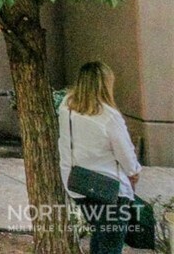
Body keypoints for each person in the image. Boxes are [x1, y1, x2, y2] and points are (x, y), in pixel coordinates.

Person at [59, 61, 144, 254]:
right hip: (110, 191)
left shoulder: (66, 108)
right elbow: (127, 156)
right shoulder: (109, 117)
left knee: (100, 236)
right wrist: (134, 173)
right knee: (110, 245)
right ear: (105, 84)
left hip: (78, 186)